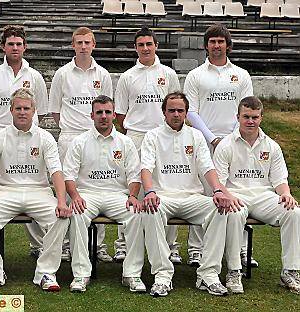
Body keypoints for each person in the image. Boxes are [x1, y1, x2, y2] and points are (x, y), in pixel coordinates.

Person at [129, 92, 242, 297]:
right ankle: (162, 275)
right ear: (163, 112)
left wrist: (217, 190)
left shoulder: (196, 135)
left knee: (220, 208)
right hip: (163, 197)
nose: (176, 114)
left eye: (180, 110)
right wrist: (150, 191)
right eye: (171, 110)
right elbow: (146, 168)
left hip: (192, 197)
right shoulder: (152, 136)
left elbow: (207, 167)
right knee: (151, 209)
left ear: (186, 113)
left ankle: (208, 274)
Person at [0, 88, 71, 292]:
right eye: (18, 108)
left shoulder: (44, 137)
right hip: (6, 191)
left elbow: (56, 172)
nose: (22, 112)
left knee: (60, 217)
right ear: (11, 110)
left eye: (26, 108)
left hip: (39, 192)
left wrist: (61, 201)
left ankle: (46, 272)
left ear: (34, 110)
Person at [209, 96, 300, 295]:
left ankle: (290, 271)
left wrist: (286, 194)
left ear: (261, 118)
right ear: (238, 117)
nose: (250, 121)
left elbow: (279, 180)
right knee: (233, 212)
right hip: (235, 195)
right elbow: (220, 183)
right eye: (246, 117)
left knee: (293, 212)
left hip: (263, 196)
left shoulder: (272, 146)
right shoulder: (225, 145)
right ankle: (234, 271)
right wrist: (228, 196)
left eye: (255, 117)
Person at [184, 23, 255, 267]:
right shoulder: (196, 75)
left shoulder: (241, 75)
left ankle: (241, 250)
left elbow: (246, 109)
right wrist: (211, 137)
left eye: (220, 41)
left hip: (236, 141)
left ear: (228, 45)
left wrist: (231, 137)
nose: (216, 45)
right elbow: (191, 112)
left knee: (236, 192)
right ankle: (196, 249)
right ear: (206, 45)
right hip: (205, 142)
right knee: (205, 194)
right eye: (212, 41)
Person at [0, 25, 49, 259]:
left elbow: (43, 110)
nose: (15, 48)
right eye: (10, 44)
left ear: (25, 47)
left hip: (30, 142)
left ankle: (38, 246)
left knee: (32, 190)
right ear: (3, 47)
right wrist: (2, 130)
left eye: (19, 44)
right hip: (0, 140)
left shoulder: (34, 77)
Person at [114, 26, 181, 263]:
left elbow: (175, 106)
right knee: (131, 188)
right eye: (141, 45)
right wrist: (134, 131)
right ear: (136, 48)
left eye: (149, 44)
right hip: (135, 137)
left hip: (164, 137)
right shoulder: (127, 76)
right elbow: (120, 114)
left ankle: (170, 245)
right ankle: (123, 243)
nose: (145, 48)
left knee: (166, 187)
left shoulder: (168, 74)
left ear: (156, 46)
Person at [63, 95, 142, 293]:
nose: (104, 116)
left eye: (108, 112)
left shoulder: (126, 142)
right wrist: (75, 197)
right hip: (88, 195)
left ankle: (132, 274)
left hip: (117, 196)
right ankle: (81, 274)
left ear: (114, 115)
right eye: (99, 112)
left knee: (136, 214)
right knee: (78, 213)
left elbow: (134, 176)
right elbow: (69, 176)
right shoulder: (79, 141)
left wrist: (132, 196)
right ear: (92, 115)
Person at [49, 26, 113, 263]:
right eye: (79, 42)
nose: (83, 46)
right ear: (73, 45)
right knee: (66, 190)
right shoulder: (62, 74)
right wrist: (72, 129)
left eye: (87, 42)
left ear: (93, 44)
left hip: (97, 136)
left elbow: (106, 106)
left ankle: (98, 245)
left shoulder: (103, 74)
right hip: (69, 137)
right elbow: (55, 110)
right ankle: (66, 244)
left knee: (99, 186)